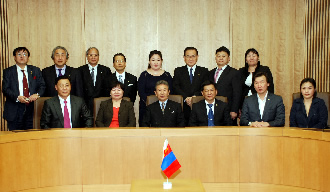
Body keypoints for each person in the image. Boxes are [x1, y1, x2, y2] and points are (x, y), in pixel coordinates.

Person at [2, 47, 46, 130]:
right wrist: (17, 97)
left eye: (25, 54)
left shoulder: (35, 70)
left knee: (30, 137)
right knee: (14, 137)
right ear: (14, 57)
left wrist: (37, 95)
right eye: (19, 54)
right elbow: (5, 89)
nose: (22, 56)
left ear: (28, 57)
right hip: (14, 109)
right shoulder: (8, 72)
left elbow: (42, 86)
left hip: (32, 109)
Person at [173, 47, 209, 125]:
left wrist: (194, 97)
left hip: (199, 104)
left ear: (197, 57)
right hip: (183, 105)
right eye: (188, 56)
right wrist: (186, 98)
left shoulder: (204, 71)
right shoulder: (178, 71)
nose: (190, 58)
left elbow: (205, 87)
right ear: (184, 58)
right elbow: (175, 86)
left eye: (193, 56)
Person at [138, 50, 173, 125]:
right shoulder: (144, 75)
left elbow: (171, 91)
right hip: (146, 107)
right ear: (149, 61)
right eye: (153, 60)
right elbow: (141, 92)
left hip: (164, 107)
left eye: (158, 60)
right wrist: (151, 103)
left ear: (162, 61)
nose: (156, 62)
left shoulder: (167, 75)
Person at [209, 46, 242, 125]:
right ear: (215, 58)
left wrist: (234, 110)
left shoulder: (234, 73)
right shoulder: (210, 73)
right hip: (213, 108)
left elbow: (237, 93)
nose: (221, 58)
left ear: (228, 58)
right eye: (218, 56)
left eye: (223, 56)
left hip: (228, 109)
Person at [78, 47, 112, 114]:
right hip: (85, 104)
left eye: (95, 55)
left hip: (102, 104)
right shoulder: (80, 70)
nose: (93, 57)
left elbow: (108, 88)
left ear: (98, 57)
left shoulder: (106, 70)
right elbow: (79, 89)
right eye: (90, 55)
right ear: (87, 56)